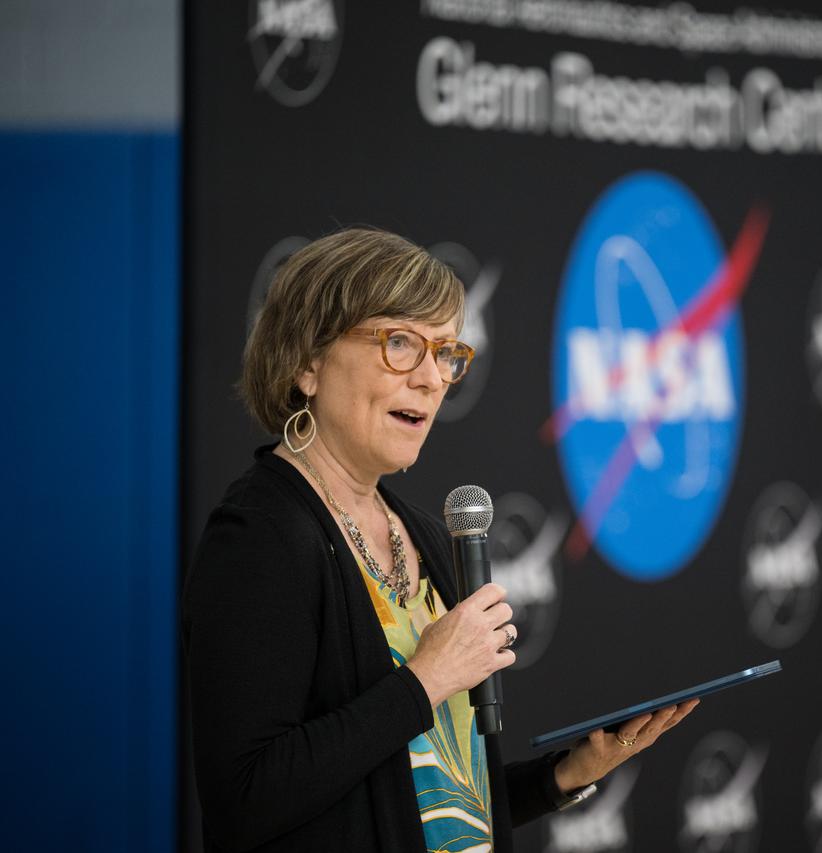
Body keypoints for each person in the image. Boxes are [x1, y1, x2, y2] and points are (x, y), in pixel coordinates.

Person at [183, 227, 697, 853]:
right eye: (400, 343)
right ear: (306, 363)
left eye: (446, 352)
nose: (432, 379)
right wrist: (426, 680)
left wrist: (571, 773)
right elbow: (246, 797)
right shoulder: (262, 535)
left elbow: (429, 801)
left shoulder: (426, 534)